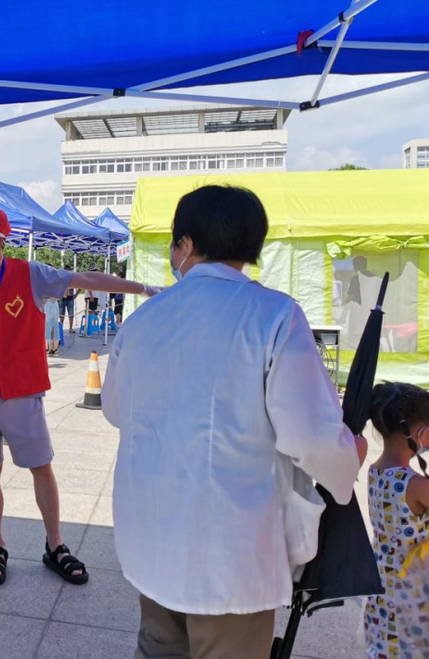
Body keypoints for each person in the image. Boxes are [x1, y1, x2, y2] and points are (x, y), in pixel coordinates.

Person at [102, 185, 366, 659]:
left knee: (159, 647)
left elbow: (115, 410)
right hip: (230, 556)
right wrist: (350, 456)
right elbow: (311, 436)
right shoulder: (273, 315)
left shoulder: (144, 319)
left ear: (186, 244)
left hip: (153, 540)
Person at [0, 202, 156, 586]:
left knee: (41, 467)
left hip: (23, 394)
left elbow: (84, 279)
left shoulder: (31, 274)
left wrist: (142, 288)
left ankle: (55, 545)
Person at [363, 382, 429, 657]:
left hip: (383, 587)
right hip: (413, 595)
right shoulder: (416, 485)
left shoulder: (375, 471)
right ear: (421, 432)